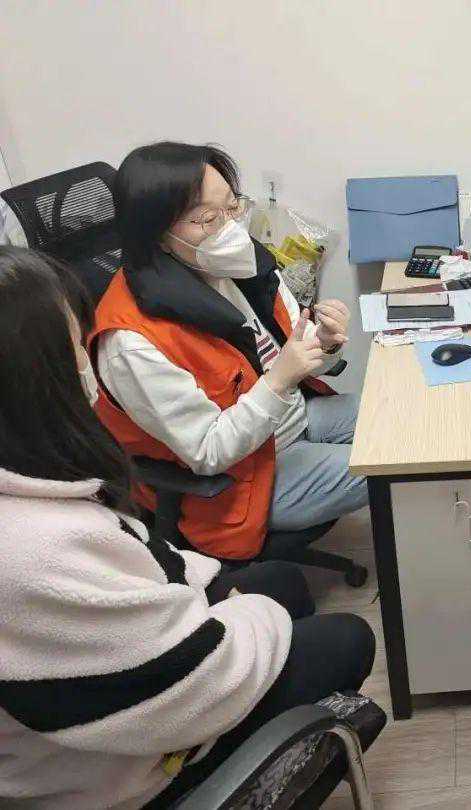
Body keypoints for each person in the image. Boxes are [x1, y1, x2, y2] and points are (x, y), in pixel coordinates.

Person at [0, 246, 376, 809]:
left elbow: (138, 558)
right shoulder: (34, 548)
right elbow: (186, 684)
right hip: (129, 766)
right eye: (76, 346)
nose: (87, 361)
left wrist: (315, 349)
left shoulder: (224, 283)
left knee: (283, 583)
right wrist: (246, 616)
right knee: (346, 636)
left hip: (271, 447)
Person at [89, 141, 367, 561]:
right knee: (390, 466)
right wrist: (279, 380)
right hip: (243, 478)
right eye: (207, 219)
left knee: (399, 418)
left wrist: (323, 343)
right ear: (157, 235)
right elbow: (208, 452)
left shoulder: (229, 265)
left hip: (292, 419)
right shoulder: (131, 343)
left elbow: (292, 351)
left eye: (232, 207)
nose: (229, 229)